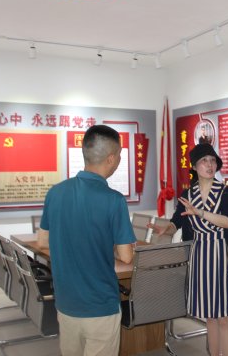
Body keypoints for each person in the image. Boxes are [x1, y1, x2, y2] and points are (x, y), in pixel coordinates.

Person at [38, 124, 135, 356]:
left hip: (66, 303)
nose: (119, 160)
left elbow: (42, 241)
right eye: (119, 155)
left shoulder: (55, 192)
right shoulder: (114, 200)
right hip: (101, 305)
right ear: (111, 158)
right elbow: (126, 256)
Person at [149, 143, 228, 356]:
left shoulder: (227, 191)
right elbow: (177, 220)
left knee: (223, 315)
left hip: (220, 254)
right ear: (195, 166)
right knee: (210, 315)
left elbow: (227, 222)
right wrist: (167, 228)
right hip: (199, 255)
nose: (209, 165)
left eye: (213, 160)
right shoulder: (188, 194)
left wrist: (199, 212)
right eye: (204, 161)